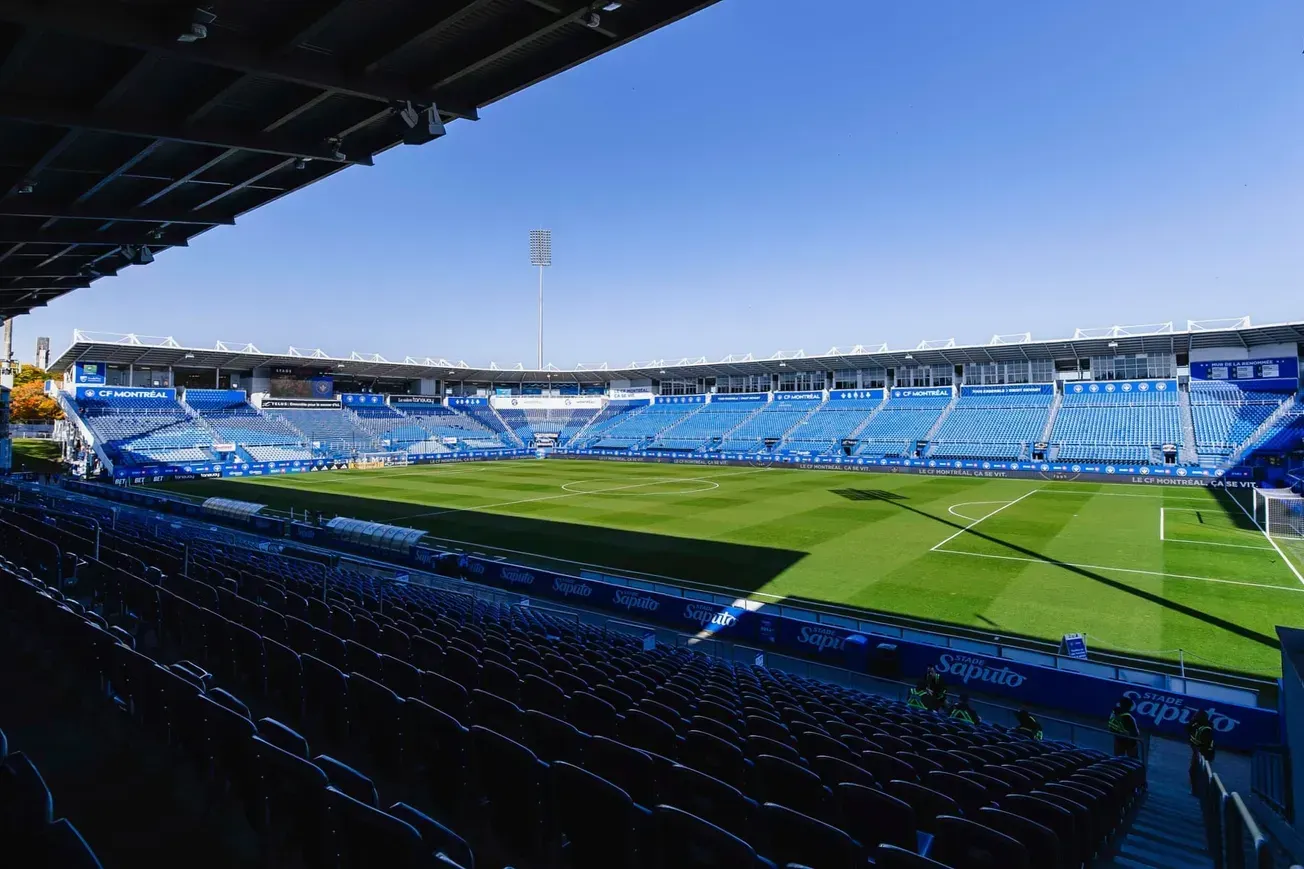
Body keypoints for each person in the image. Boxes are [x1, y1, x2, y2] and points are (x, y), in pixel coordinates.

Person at [1187, 710, 1215, 793]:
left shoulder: (1206, 729)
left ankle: (1200, 790)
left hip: (1204, 754)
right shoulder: (1197, 726)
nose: (1194, 717)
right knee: (1193, 771)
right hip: (1197, 752)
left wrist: (1199, 751)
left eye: (1196, 716)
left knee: (1198, 772)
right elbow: (1188, 730)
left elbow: (1206, 744)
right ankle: (1195, 789)